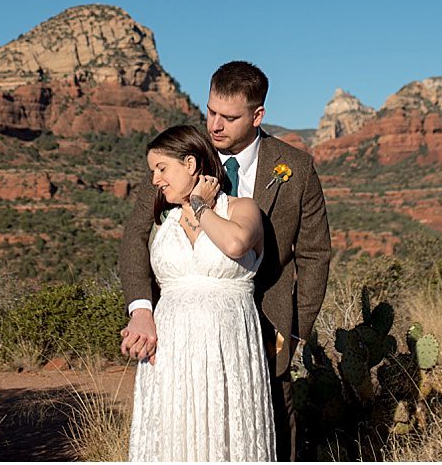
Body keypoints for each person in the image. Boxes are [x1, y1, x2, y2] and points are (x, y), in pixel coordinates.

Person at [120, 61, 332, 462]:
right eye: (211, 112)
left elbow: (314, 254)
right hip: (182, 335)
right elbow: (134, 236)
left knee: (266, 430)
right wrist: (141, 308)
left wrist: (296, 332)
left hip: (265, 325)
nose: (215, 125)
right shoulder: (183, 158)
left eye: (229, 117)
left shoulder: (296, 169)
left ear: (257, 116)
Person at [125, 124, 275, 461]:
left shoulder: (243, 209)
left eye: (161, 168)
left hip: (227, 348)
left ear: (191, 165)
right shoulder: (164, 222)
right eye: (153, 171)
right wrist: (141, 313)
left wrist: (200, 206)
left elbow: (235, 244)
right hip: (171, 352)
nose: (155, 180)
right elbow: (133, 251)